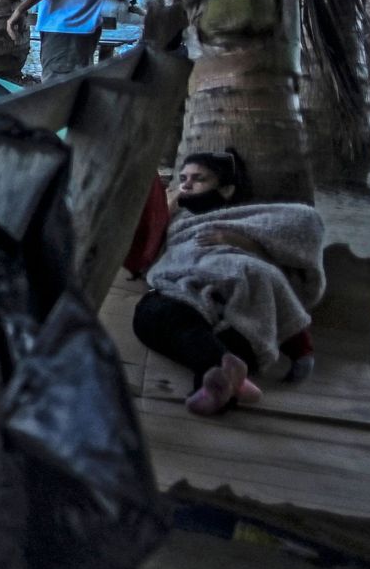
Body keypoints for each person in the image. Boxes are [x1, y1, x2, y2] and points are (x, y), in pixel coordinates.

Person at [132, 151, 324, 415]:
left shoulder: (245, 218)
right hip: (183, 295)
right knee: (151, 315)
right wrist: (168, 207)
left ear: (226, 189)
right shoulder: (178, 218)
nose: (187, 185)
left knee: (244, 303)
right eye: (183, 178)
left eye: (199, 179)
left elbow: (301, 225)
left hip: (240, 316)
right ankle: (223, 381)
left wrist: (237, 241)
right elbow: (146, 245)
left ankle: (218, 380)